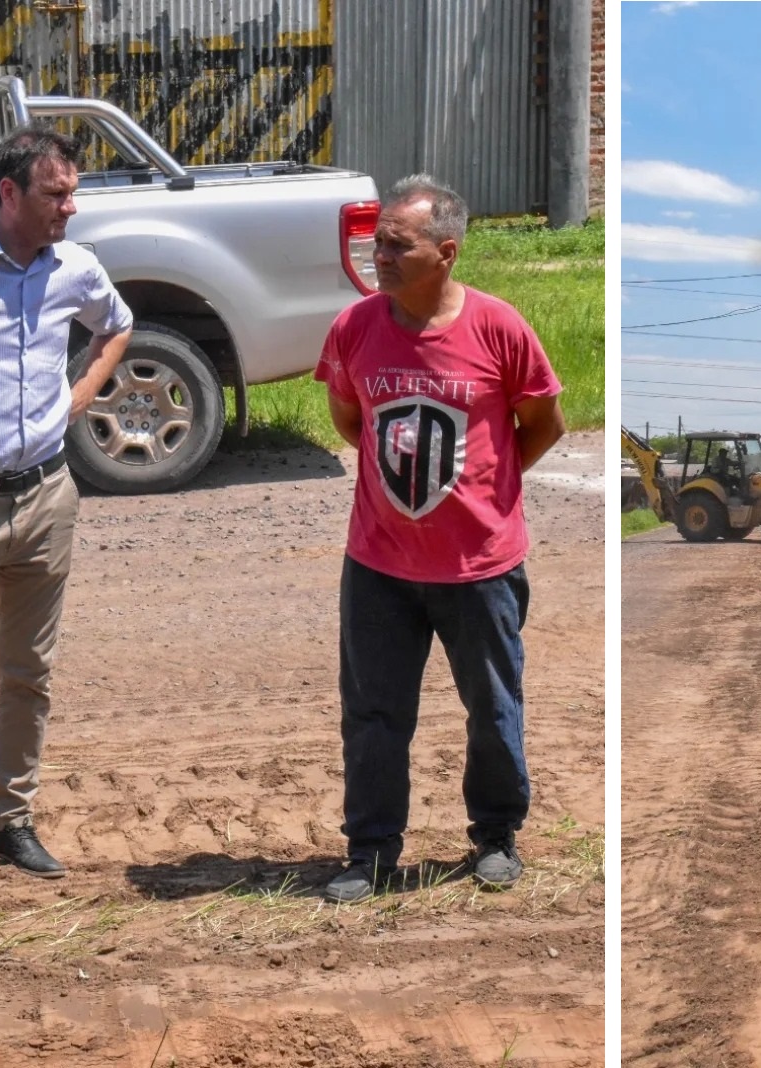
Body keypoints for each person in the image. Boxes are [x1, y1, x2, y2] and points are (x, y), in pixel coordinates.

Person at [314, 174, 566, 904]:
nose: (379, 256)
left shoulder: (498, 328)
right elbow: (350, 419)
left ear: (447, 252)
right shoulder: (355, 327)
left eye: (398, 245)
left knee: (492, 708)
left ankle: (495, 835)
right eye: (377, 242)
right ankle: (370, 849)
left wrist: (487, 489)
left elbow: (542, 423)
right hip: (379, 565)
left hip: (479, 566)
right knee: (372, 715)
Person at [0, 125, 134, 878]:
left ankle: (13, 820)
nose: (70, 208)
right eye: (57, 193)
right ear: (8, 192)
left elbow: (117, 326)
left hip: (47, 496)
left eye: (73, 192)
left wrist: (78, 397)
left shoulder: (75, 268)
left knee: (28, 672)